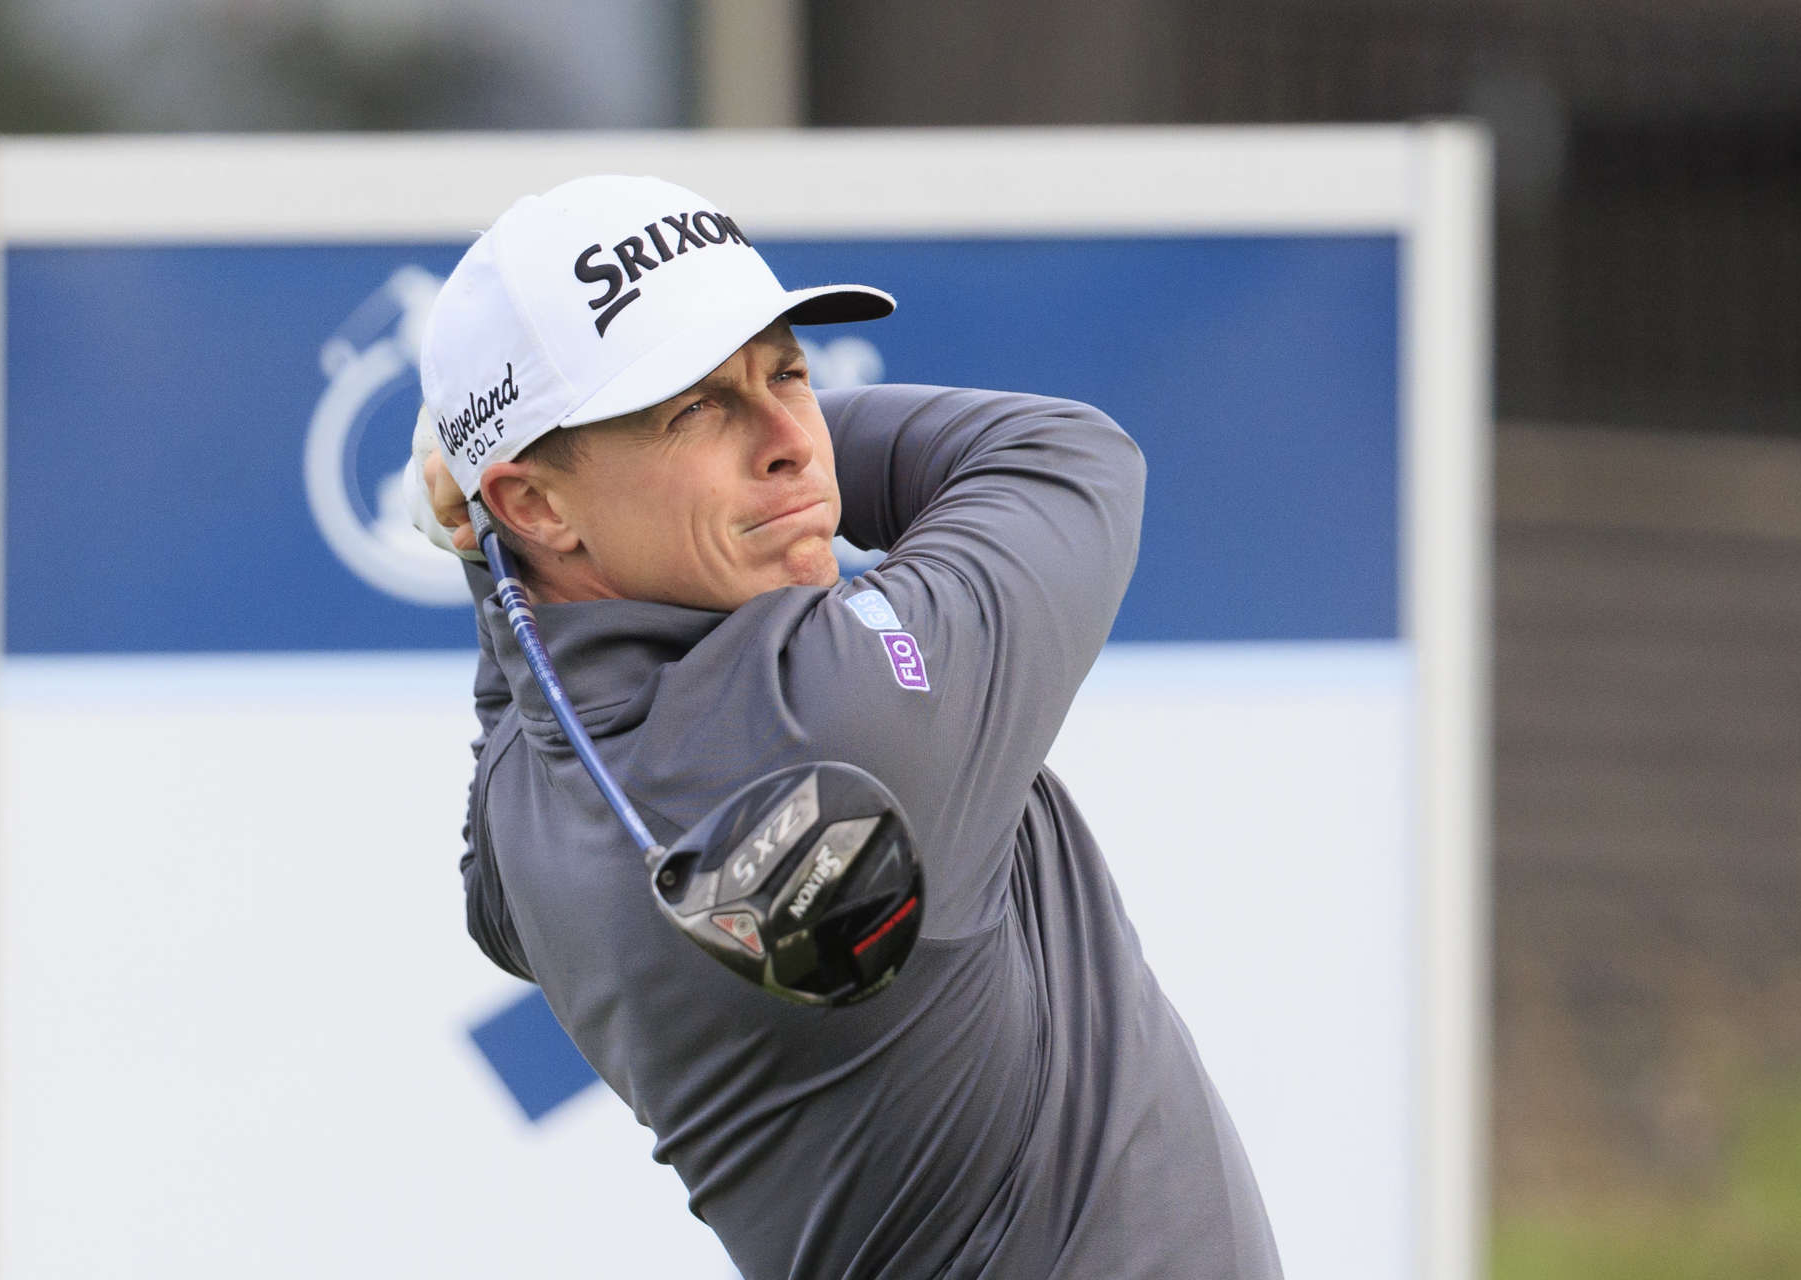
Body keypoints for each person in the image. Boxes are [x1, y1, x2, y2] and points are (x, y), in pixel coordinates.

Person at [409, 173, 1282, 1279]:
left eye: (789, 372)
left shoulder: (527, 834)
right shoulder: (839, 711)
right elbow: (1065, 456)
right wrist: (486, 527)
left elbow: (528, 692)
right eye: (694, 406)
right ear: (540, 501)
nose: (790, 438)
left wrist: (497, 548)